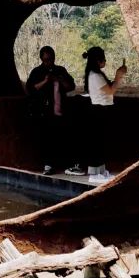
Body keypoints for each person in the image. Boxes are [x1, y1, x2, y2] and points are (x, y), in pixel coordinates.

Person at [81, 45, 127, 183]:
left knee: (100, 142)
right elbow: (110, 91)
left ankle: (100, 172)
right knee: (97, 143)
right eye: (103, 58)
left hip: (101, 110)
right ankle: (94, 175)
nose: (105, 61)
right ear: (97, 60)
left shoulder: (96, 74)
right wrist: (119, 76)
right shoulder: (95, 75)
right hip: (98, 110)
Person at [26, 46, 75, 174]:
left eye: (51, 59)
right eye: (46, 60)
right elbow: (31, 88)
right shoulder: (37, 72)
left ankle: (63, 163)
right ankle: (48, 165)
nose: (49, 62)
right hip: (44, 111)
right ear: (42, 59)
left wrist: (59, 79)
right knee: (46, 138)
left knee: (62, 137)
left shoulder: (61, 70)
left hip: (61, 110)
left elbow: (71, 86)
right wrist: (45, 81)